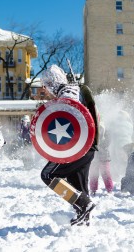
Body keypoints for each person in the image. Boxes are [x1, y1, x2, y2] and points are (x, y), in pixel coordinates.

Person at [40, 64, 99, 226]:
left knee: (48, 175)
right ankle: (83, 219)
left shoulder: (67, 94)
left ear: (52, 83)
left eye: (46, 86)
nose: (45, 91)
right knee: (77, 184)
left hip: (77, 146)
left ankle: (84, 205)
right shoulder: (73, 90)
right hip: (87, 145)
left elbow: (73, 118)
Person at [89, 121, 114, 195]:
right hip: (94, 156)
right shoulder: (92, 130)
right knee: (93, 174)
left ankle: (109, 189)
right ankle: (93, 189)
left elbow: (107, 143)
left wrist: (97, 144)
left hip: (104, 156)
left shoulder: (106, 131)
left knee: (106, 173)